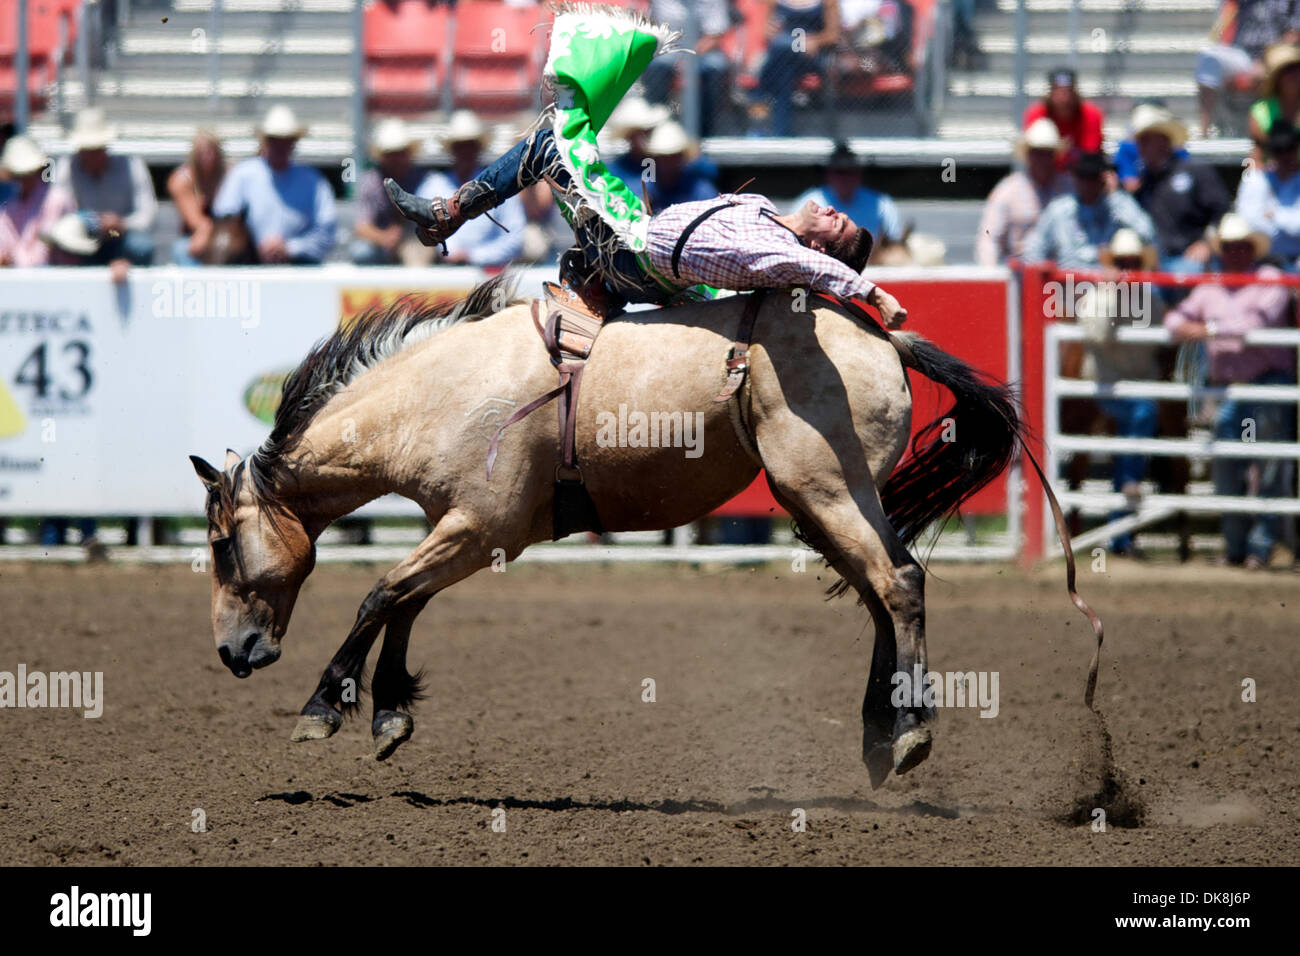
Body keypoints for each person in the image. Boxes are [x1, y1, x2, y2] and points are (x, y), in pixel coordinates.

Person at [384, 3, 907, 326]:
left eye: (838, 223)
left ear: (818, 246)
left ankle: (448, 213)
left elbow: (813, 269)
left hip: (639, 253)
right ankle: (595, 282)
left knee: (549, 145)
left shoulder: (782, 252)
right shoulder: (764, 210)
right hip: (645, 255)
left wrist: (870, 291)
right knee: (573, 169)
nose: (834, 211)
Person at [1164, 212, 1297, 568]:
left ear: (1251, 249)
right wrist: (1199, 327)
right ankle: (1238, 546)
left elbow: (1252, 324)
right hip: (1230, 389)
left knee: (1268, 466)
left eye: (1241, 246)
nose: (1235, 252)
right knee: (1227, 466)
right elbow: (1174, 319)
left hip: (1266, 384)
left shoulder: (1269, 279)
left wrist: (1204, 327)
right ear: (1222, 249)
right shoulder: (1212, 285)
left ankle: (1261, 546)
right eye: (1229, 247)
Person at [1080, 229, 1163, 555]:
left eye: (1133, 262)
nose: (1128, 267)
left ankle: (1121, 532)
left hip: (1134, 387)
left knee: (1141, 416)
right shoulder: (1097, 297)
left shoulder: (1150, 299)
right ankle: (1123, 522)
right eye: (1122, 262)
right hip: (1104, 388)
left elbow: (1153, 341)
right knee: (1143, 414)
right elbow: (1099, 334)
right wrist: (1112, 293)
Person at [211, 104, 337, 264]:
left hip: (300, 263)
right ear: (264, 142)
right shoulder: (243, 174)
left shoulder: (312, 180)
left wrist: (291, 247)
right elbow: (224, 220)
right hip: (249, 261)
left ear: (294, 143)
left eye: (285, 140)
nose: (280, 146)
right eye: (274, 140)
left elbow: (327, 230)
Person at [53, 108, 157, 279]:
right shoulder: (67, 168)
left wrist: (121, 224)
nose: (92, 155)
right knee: (64, 247)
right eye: (88, 149)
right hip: (83, 239)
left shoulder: (131, 165)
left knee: (141, 246)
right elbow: (61, 215)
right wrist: (89, 222)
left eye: (97, 148)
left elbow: (149, 215)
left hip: (121, 237)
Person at [415, 110, 525, 267]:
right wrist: (450, 252)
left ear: (478, 148)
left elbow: (515, 236)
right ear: (452, 150)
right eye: (459, 146)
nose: (464, 152)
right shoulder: (434, 184)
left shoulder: (499, 183)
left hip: (488, 269)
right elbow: (421, 226)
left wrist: (474, 255)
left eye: (469, 145)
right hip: (441, 265)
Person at [1131, 104, 1231, 274]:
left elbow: (1223, 211)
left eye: (1146, 139)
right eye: (1140, 140)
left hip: (1192, 260)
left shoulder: (1195, 171)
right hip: (1157, 264)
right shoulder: (1144, 184)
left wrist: (1206, 243)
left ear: (1163, 140)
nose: (1140, 146)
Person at [1022, 152, 1157, 268]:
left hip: (1110, 290)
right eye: (1083, 177)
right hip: (1066, 290)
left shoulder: (1118, 207)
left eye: (1093, 177)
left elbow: (1147, 233)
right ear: (1075, 179)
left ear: (1103, 180)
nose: (1088, 184)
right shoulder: (1059, 211)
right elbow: (1034, 251)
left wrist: (1116, 195)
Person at [1197, 0, 1300, 138]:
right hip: (1242, 54)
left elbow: (1294, 33)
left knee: (1281, 66)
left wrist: (1266, 59)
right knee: (1209, 58)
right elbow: (1225, 15)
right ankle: (1204, 132)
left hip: (1277, 52)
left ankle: (1279, 130)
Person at [976, 119, 1069, 266]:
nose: (1042, 159)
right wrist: (991, 273)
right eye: (1037, 152)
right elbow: (989, 238)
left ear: (1055, 155)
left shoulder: (1068, 188)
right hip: (1020, 272)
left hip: (1060, 273)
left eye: (1047, 153)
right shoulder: (1007, 190)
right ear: (1028, 155)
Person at [794, 141, 904, 259]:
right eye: (839, 172)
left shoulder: (881, 204)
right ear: (828, 174)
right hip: (821, 264)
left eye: (850, 172)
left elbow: (895, 243)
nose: (844, 178)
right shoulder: (809, 203)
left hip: (870, 266)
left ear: (859, 174)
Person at [751, 0, 844, 137]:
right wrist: (772, 31)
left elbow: (833, 35)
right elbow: (767, 32)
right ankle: (781, 133)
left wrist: (815, 41)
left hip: (813, 56)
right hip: (784, 57)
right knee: (783, 71)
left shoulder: (828, 2)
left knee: (780, 48)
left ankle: (759, 100)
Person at [642, 0, 731, 137]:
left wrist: (690, 57)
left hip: (702, 52)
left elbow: (715, 36)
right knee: (659, 65)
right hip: (667, 49)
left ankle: (706, 131)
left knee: (715, 66)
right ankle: (655, 124)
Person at [351, 117, 429, 266]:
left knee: (417, 252)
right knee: (361, 252)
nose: (396, 159)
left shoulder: (423, 181)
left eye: (400, 153)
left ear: (408, 154)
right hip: (381, 242)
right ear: (382, 157)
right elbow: (361, 226)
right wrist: (384, 237)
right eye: (391, 154)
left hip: (414, 239)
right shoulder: (370, 181)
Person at [0, 135, 76, 267]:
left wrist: (11, 261)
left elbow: (43, 253)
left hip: (54, 275)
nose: (23, 178)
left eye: (27, 173)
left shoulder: (56, 200)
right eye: (19, 174)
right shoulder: (9, 208)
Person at [1235, 119, 1300, 267]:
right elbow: (1248, 223)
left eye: (1289, 149)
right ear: (1270, 152)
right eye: (1278, 150)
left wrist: (1275, 215)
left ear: (1296, 149)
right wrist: (1289, 222)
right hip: (1262, 261)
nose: (1284, 156)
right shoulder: (1255, 179)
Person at [1022, 68, 1105, 173]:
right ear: (1050, 93)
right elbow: (1034, 155)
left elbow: (1090, 155)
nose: (1063, 97)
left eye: (1067, 91)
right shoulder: (1037, 114)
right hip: (1046, 176)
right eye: (1058, 91)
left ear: (1075, 92)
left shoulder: (1091, 115)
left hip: (1080, 176)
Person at [167, 130, 227, 265]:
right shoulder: (181, 180)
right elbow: (196, 222)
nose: (208, 157)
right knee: (182, 249)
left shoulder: (230, 176)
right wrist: (205, 231)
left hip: (225, 233)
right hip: (194, 235)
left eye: (211, 152)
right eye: (202, 153)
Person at [1113, 99, 1192, 193]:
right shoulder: (1127, 148)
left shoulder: (1178, 150)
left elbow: (1185, 177)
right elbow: (1130, 183)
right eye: (1143, 139)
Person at [606, 97, 671, 198]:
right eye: (640, 133)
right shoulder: (615, 170)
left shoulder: (665, 163)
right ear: (630, 137)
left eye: (648, 131)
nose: (646, 136)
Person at [643, 121, 717, 209]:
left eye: (673, 155)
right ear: (655, 158)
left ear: (682, 157)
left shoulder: (700, 190)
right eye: (663, 156)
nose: (668, 161)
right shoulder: (644, 188)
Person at [1247, 43, 1300, 161]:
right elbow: (1257, 153)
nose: (1296, 73)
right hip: (1273, 174)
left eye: (1298, 67)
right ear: (1277, 77)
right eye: (1289, 69)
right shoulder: (1260, 111)